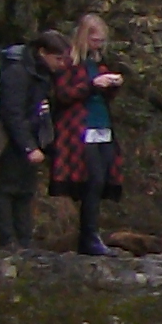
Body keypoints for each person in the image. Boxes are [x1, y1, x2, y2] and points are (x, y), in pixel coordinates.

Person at [45, 14, 128, 255]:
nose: (98, 45)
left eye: (101, 41)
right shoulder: (69, 64)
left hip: (102, 126)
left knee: (102, 180)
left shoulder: (99, 63)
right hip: (80, 129)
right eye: (94, 39)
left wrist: (111, 86)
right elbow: (63, 94)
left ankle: (92, 233)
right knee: (92, 181)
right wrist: (92, 85)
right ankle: (88, 236)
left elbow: (103, 96)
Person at [0, 26, 60, 247]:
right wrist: (28, 146)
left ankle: (24, 239)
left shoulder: (42, 75)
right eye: (58, 58)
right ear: (43, 52)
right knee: (8, 188)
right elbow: (13, 113)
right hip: (11, 140)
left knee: (26, 190)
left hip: (32, 137)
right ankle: (7, 239)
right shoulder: (17, 72)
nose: (61, 64)